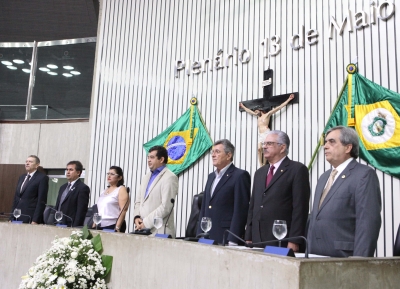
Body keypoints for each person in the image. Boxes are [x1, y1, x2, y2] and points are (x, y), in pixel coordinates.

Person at [307, 126, 381, 257]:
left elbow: (367, 223)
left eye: (332, 142)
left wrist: (360, 263)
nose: (325, 146)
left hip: (344, 258)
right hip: (314, 256)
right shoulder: (324, 177)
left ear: (348, 148)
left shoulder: (364, 175)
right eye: (325, 142)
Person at [245, 130, 310, 252]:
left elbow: (300, 208)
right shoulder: (259, 173)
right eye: (264, 144)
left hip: (281, 238)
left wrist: (294, 240)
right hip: (258, 238)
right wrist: (249, 235)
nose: (264, 147)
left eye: (269, 143)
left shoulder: (297, 170)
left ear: (282, 147)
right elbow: (253, 206)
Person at [197, 139, 251, 245]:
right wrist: (199, 234)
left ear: (228, 155)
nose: (213, 155)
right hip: (206, 236)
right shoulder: (211, 176)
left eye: (217, 152)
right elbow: (204, 207)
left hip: (225, 236)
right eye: (212, 152)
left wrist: (233, 239)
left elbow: (241, 210)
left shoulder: (239, 176)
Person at [134, 146, 178, 237]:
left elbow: (165, 207)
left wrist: (145, 223)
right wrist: (137, 217)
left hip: (159, 231)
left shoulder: (170, 177)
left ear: (161, 159)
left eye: (152, 157)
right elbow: (139, 201)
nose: (149, 160)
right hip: (141, 229)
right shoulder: (146, 177)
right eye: (148, 157)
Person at [240, 94, 294, 166]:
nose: (255, 112)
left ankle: (264, 163)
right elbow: (249, 111)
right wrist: (243, 106)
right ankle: (260, 164)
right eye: (255, 112)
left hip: (266, 133)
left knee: (265, 148)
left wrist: (289, 99)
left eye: (256, 111)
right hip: (260, 134)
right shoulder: (258, 116)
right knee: (259, 149)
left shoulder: (267, 114)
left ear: (260, 110)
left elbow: (278, 108)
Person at [10, 155, 49, 224]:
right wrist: (11, 216)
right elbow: (16, 198)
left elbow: (41, 201)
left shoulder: (42, 178)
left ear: (37, 165)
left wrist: (35, 220)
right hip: (16, 217)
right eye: (26, 161)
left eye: (30, 162)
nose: (27, 163)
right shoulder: (22, 177)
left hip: (30, 217)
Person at [54, 161, 90, 227]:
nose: (68, 172)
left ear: (78, 172)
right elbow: (58, 205)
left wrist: (75, 226)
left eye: (71, 170)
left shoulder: (82, 188)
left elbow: (81, 210)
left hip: (70, 224)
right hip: (58, 222)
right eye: (67, 169)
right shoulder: (63, 187)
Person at [94, 166, 129, 232]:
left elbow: (123, 210)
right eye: (108, 174)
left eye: (112, 174)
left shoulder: (121, 189)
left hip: (112, 224)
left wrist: (117, 227)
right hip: (100, 224)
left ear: (119, 177)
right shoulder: (104, 191)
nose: (109, 176)